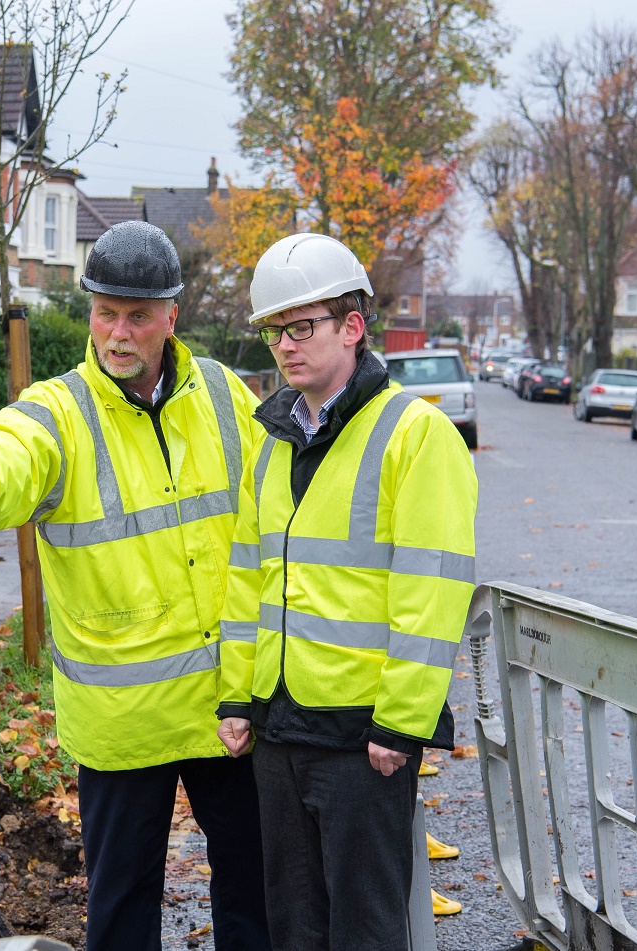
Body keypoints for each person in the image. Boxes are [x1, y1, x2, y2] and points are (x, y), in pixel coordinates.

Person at [0, 221, 271, 951]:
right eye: (106, 312)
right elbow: (9, 446)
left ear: (173, 316)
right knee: (122, 907)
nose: (118, 332)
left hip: (228, 703)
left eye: (138, 315)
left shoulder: (226, 397)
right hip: (123, 720)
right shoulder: (62, 410)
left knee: (255, 892)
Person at [217, 233, 478, 950]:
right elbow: (250, 578)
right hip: (278, 727)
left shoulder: (414, 433)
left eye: (302, 327)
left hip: (364, 740)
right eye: (274, 330)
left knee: (365, 928)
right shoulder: (272, 440)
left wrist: (401, 723)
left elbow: (433, 589)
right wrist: (237, 695)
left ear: (352, 326)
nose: (285, 346)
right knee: (293, 925)